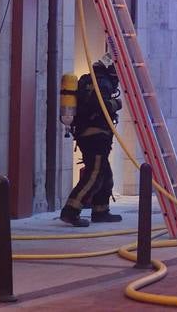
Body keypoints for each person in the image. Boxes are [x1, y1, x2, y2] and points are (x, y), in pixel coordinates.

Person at [60, 53, 123, 227]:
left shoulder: (87, 81)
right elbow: (99, 105)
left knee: (105, 175)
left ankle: (100, 211)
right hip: (96, 135)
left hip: (87, 134)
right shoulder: (102, 83)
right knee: (94, 175)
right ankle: (71, 211)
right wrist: (116, 104)